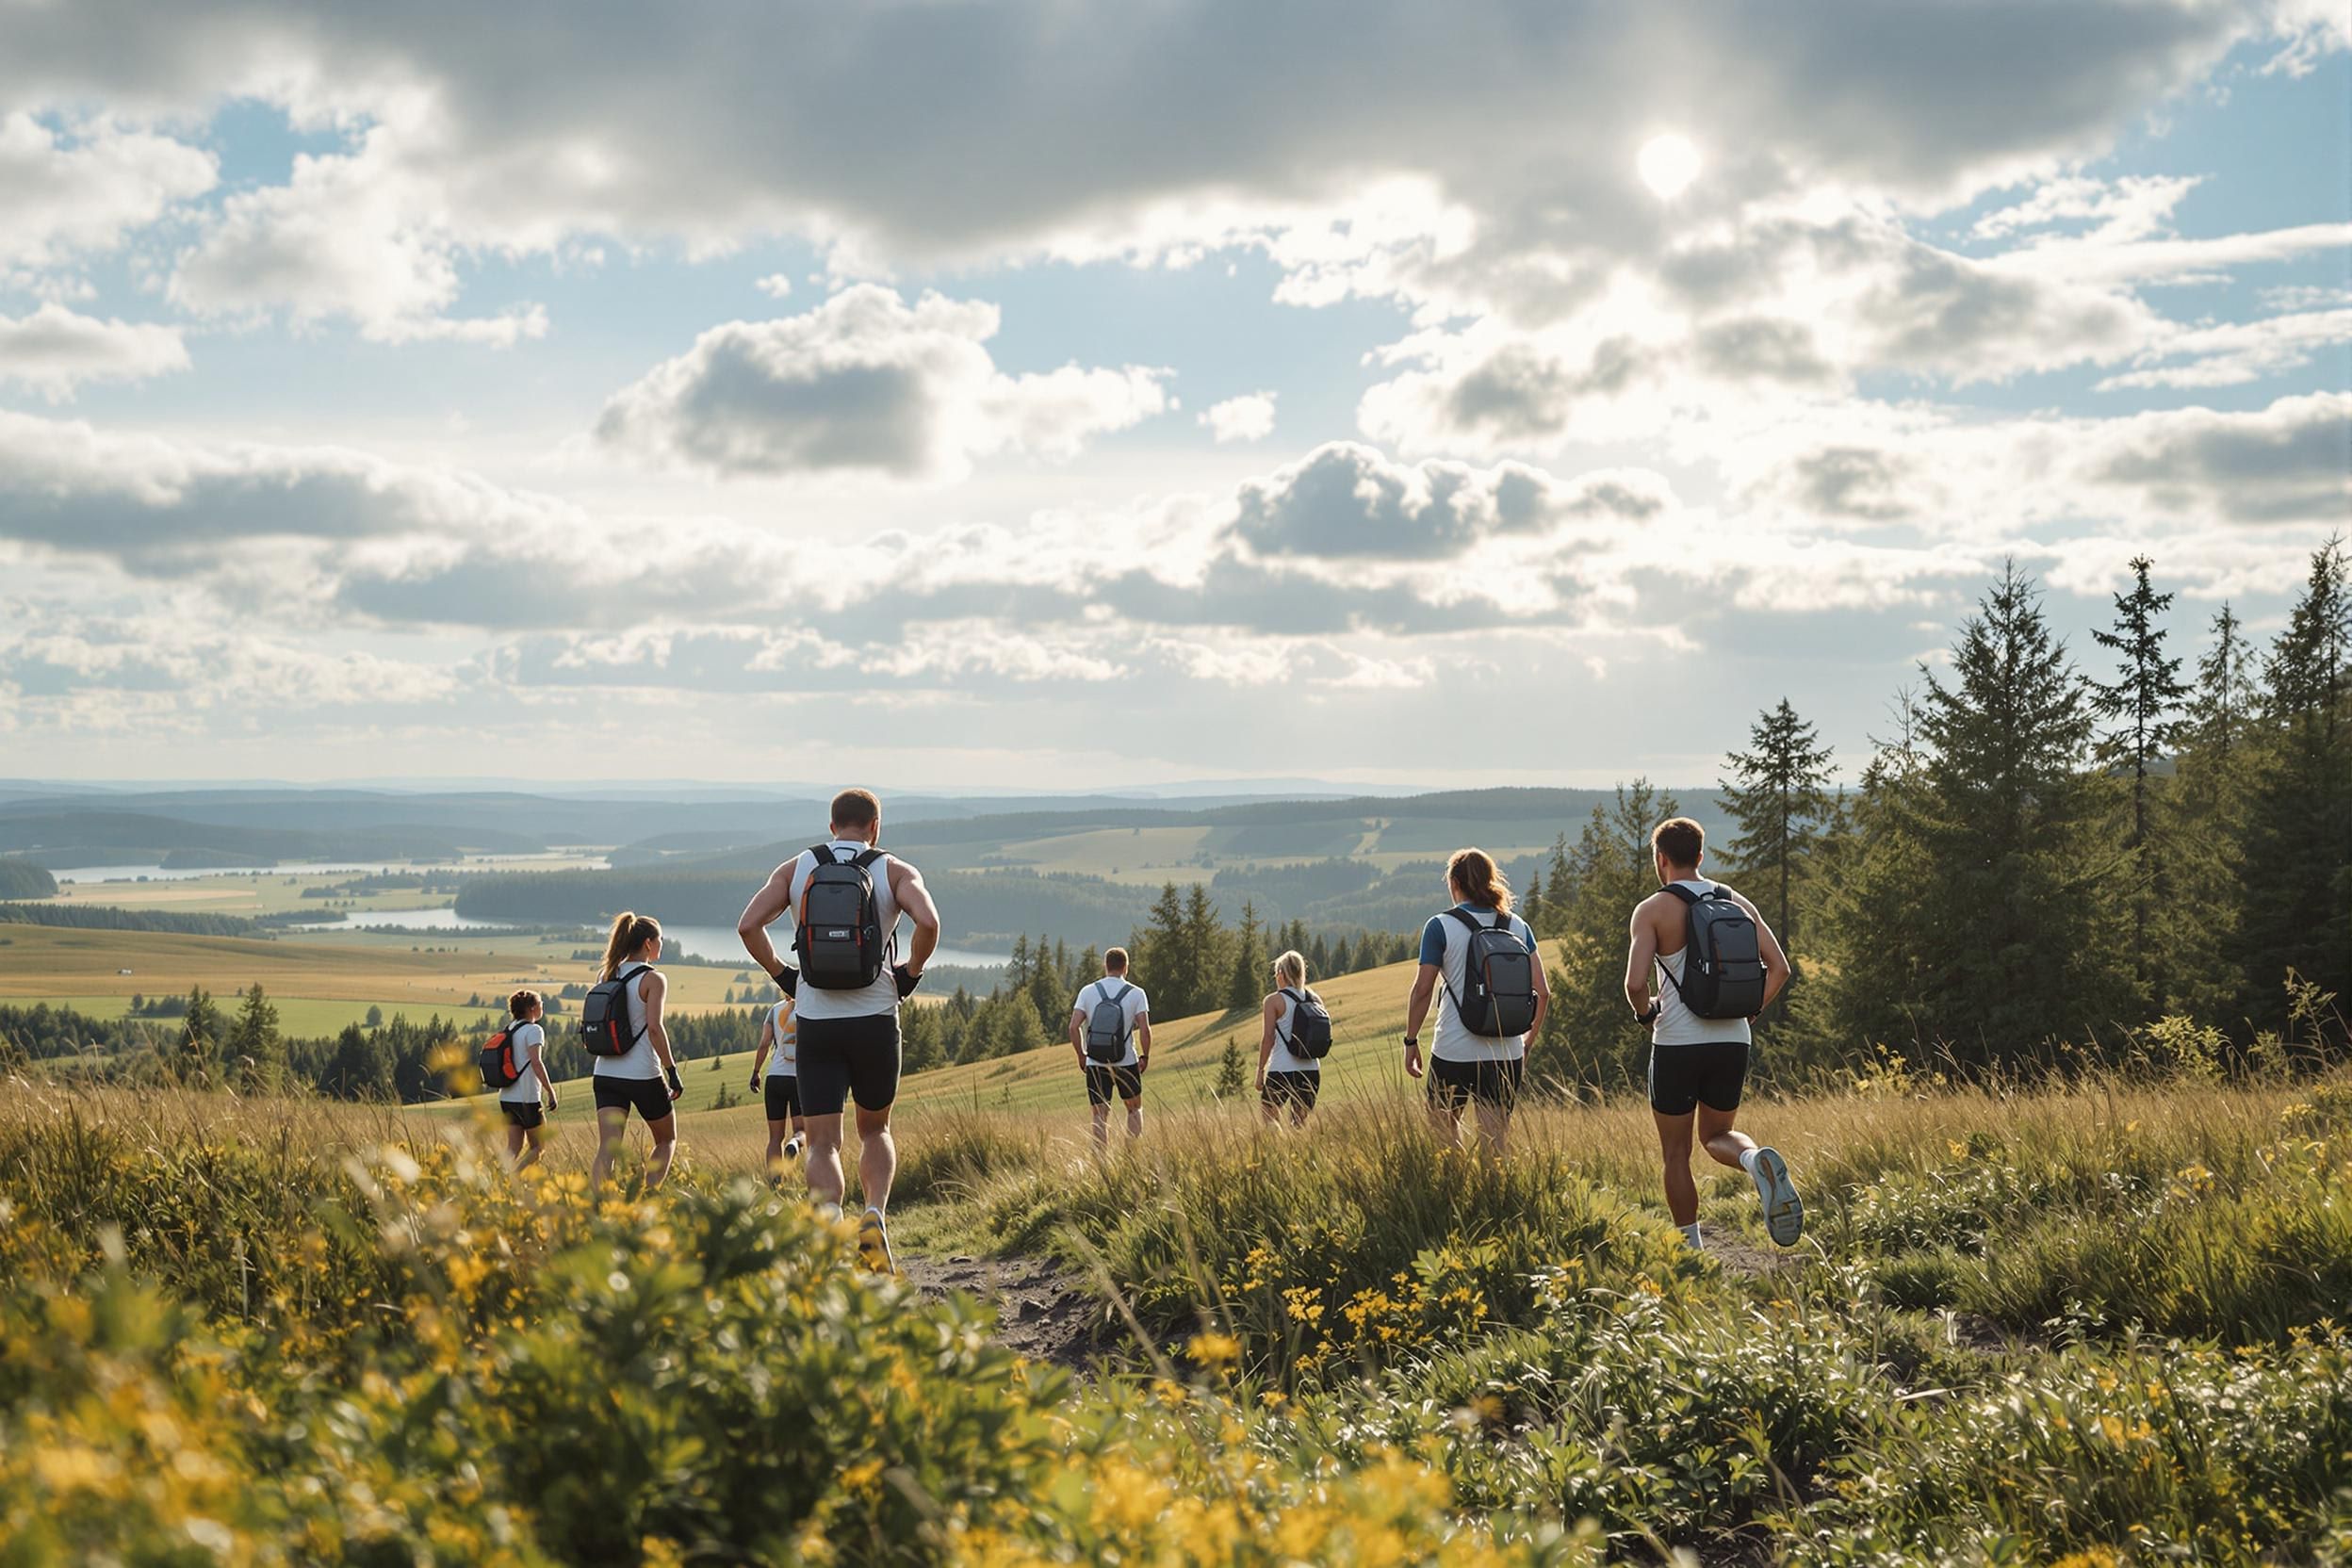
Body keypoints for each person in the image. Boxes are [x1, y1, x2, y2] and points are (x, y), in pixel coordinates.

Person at [737, 788, 939, 1275]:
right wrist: (909, 971)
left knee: (823, 1140)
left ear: (832, 826)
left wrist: (784, 976)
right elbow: (929, 922)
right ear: (875, 826)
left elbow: (747, 926)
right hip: (874, 1019)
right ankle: (874, 1216)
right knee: (876, 1130)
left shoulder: (797, 867)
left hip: (816, 1022)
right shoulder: (895, 869)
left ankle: (829, 1223)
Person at [1624, 816, 1802, 1250]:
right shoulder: (1737, 902)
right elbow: (1780, 969)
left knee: (1676, 1153)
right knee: (1717, 1136)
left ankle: (1692, 1249)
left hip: (1676, 1044)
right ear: (1701, 856)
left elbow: (1634, 983)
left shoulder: (1652, 910)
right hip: (1732, 1040)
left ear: (1660, 859)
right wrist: (1752, 1008)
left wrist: (1646, 1014)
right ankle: (1754, 1158)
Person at [1403, 848, 1548, 1154]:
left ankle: (1455, 1192)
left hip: (1454, 1049)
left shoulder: (1440, 926)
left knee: (1443, 1130)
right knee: (1495, 1141)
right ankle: (1496, 1198)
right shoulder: (1518, 927)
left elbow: (1422, 990)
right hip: (1506, 1051)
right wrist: (1526, 1043)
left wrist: (1411, 1040)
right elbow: (1543, 992)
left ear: (1455, 883)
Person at [589, 912, 683, 1193]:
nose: (662, 945)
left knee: (608, 1146)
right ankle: (646, 1198)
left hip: (605, 1072)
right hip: (642, 1073)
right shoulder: (654, 979)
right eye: (660, 940)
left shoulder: (606, 974)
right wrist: (672, 1072)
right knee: (666, 1140)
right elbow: (654, 1029)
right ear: (647, 943)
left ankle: (597, 1205)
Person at [1069, 947, 1152, 1150]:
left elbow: (1073, 1027)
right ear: (1126, 967)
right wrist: (1145, 1056)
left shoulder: (1088, 991)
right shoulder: (1136, 993)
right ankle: (1131, 1156)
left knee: (1099, 1115)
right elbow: (1145, 1029)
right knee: (1134, 1109)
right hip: (1126, 1061)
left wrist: (1081, 1056)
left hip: (1095, 1062)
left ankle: (1101, 1164)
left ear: (1105, 966)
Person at [1255, 949, 1322, 1128]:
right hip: (1311, 1070)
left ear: (1281, 974)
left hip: (1282, 1070)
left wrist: (1260, 1071)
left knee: (1269, 1120)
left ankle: (1279, 1154)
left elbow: (1268, 1038)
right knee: (1299, 1126)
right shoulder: (1314, 999)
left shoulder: (1273, 1001)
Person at [498, 988, 558, 1170]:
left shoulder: (510, 1029)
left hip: (507, 1096)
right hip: (527, 1097)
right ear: (532, 1009)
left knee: (513, 1147)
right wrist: (550, 1091)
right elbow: (536, 1063)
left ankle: (497, 1180)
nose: (542, 1007)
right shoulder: (534, 1030)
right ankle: (513, 1178)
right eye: (540, 1004)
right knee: (538, 1147)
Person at [748, 989, 806, 1177]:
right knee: (801, 1130)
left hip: (774, 1077)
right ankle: (795, 1144)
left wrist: (756, 1071)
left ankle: (774, 1181)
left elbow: (764, 1043)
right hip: (799, 1078)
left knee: (775, 1137)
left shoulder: (774, 1010)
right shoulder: (809, 1008)